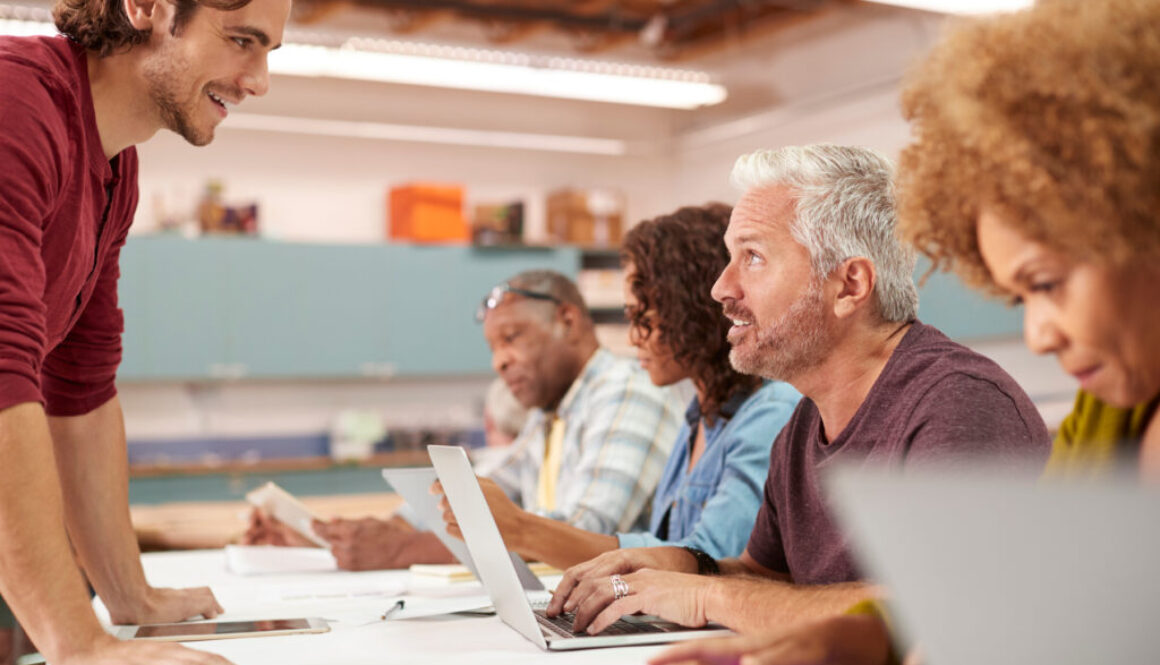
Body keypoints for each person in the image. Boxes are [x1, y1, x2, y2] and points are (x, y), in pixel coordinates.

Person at [651, 1, 1160, 663]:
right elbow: (1018, 612)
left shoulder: (964, 399)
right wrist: (847, 638)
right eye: (1017, 295)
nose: (1037, 336)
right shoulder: (1109, 411)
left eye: (1046, 282)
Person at [546, 144, 1051, 636]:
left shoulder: (960, 404)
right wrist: (684, 565)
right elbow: (768, 579)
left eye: (754, 257)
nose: (721, 288)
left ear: (850, 285)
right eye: (730, 258)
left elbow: (944, 608)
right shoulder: (804, 424)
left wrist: (706, 596)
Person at [0, 1, 287, 664]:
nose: (259, 78)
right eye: (242, 40)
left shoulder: (113, 167)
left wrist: (130, 598)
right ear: (148, 8)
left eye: (270, 50)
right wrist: (80, 644)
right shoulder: (17, 104)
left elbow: (81, 386)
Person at [438, 203, 801, 569]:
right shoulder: (698, 420)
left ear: (690, 307)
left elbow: (707, 561)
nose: (632, 338)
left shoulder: (770, 412)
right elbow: (666, 547)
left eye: (642, 316)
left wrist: (522, 530)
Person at [246, 269, 684, 570]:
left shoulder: (626, 391)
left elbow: (584, 532)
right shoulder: (553, 415)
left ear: (567, 320)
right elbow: (475, 492)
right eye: (493, 348)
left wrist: (401, 550)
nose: (500, 362)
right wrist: (331, 537)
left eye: (511, 338)